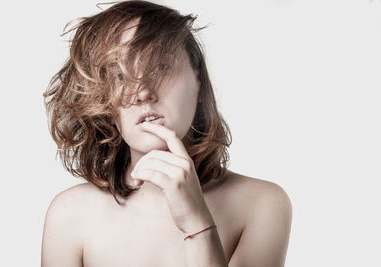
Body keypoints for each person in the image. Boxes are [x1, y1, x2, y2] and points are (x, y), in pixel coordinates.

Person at [41, 1, 292, 266]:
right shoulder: (70, 215)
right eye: (120, 76)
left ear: (198, 81)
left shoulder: (263, 204)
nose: (142, 92)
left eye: (160, 67)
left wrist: (198, 223)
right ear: (103, 102)